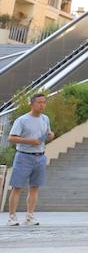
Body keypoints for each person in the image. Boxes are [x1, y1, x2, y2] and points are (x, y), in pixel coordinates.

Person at [7, 93, 54, 226]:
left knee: (35, 187)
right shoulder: (22, 120)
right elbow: (11, 138)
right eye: (39, 102)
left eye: (44, 102)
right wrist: (29, 141)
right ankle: (12, 216)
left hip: (40, 156)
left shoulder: (45, 119)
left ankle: (30, 216)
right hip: (23, 156)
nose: (42, 105)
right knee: (17, 187)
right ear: (32, 104)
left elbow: (47, 134)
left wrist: (51, 135)